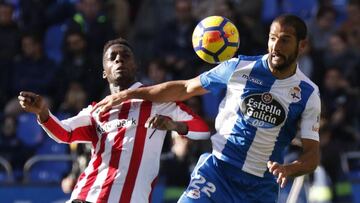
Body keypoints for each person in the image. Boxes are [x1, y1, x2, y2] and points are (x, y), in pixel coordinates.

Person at [92, 14, 321, 202]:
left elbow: (312, 154)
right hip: (218, 171)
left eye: (285, 40)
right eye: (273, 38)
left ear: (302, 45)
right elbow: (184, 88)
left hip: (260, 188)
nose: (276, 46)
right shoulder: (240, 67)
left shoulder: (308, 94)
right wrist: (128, 94)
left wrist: (289, 169)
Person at [18, 38, 210, 203]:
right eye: (112, 57)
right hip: (89, 196)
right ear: (104, 72)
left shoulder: (158, 102)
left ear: (135, 66)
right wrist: (42, 112)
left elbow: (202, 130)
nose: (119, 59)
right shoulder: (96, 111)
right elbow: (65, 133)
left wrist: (173, 125)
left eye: (125, 56)